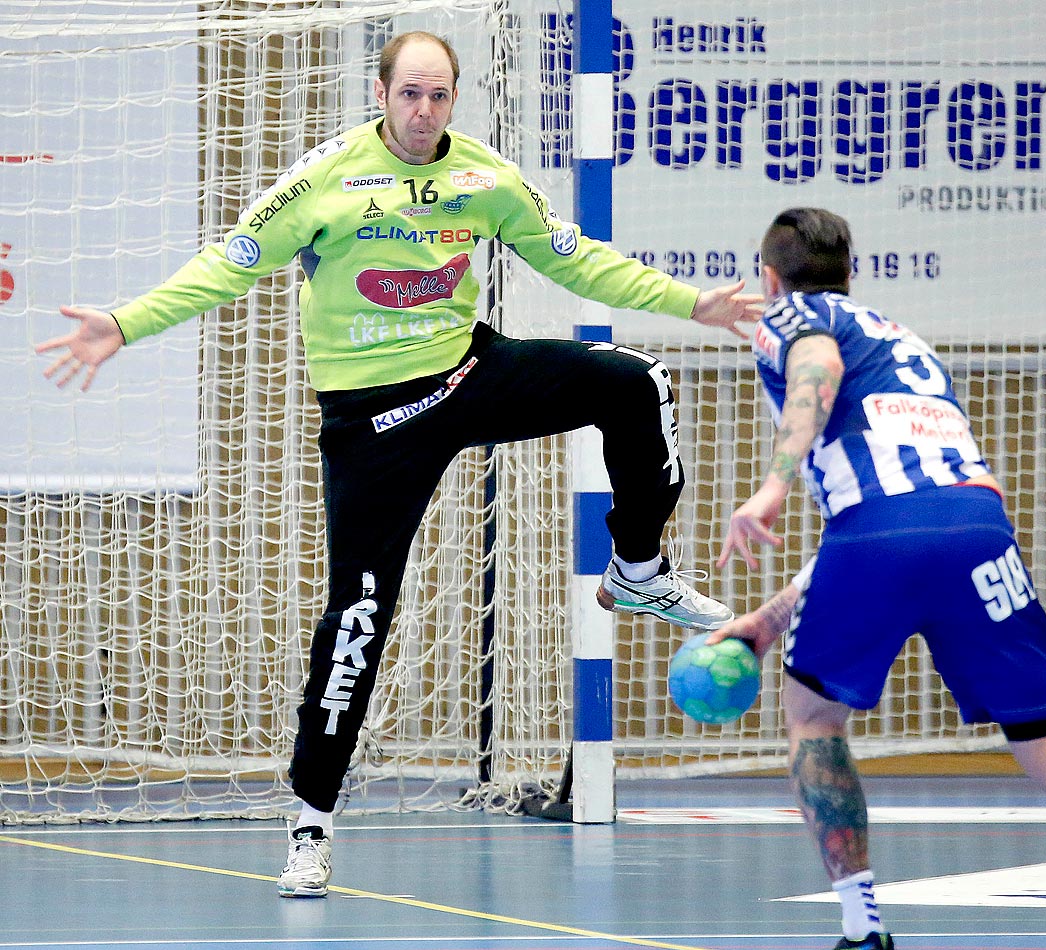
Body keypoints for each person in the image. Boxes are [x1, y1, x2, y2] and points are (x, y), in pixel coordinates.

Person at [36, 31, 761, 898]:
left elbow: (573, 258)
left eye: (439, 96)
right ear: (380, 93)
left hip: (469, 375)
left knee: (636, 384)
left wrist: (691, 301)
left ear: (455, 100)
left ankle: (637, 567)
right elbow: (229, 265)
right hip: (373, 421)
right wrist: (124, 322)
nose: (423, 111)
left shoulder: (485, 179)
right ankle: (310, 822)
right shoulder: (325, 180)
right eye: (410, 94)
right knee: (358, 618)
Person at [711, 207, 1046, 950]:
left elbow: (818, 375)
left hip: (875, 536)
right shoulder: (904, 341)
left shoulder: (794, 317)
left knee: (813, 720)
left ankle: (863, 934)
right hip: (976, 528)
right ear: (851, 272)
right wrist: (769, 617)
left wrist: (771, 486)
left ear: (769, 277)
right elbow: (902, 512)